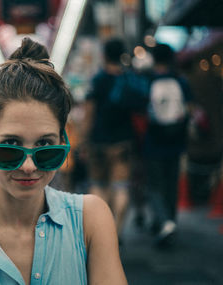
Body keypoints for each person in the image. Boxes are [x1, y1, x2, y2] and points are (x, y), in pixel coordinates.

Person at [0, 38, 127, 285]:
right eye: (10, 146)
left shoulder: (92, 219)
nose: (29, 166)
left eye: (44, 145)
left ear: (62, 139)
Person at [83, 38, 145, 243]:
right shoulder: (128, 79)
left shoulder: (98, 79)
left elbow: (89, 113)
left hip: (99, 140)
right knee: (121, 187)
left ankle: (100, 233)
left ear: (104, 55)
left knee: (98, 185)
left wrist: (84, 139)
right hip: (123, 141)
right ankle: (116, 232)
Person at [144, 43, 193, 246]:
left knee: (154, 185)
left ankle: (162, 221)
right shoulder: (180, 81)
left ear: (154, 59)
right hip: (176, 141)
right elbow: (189, 109)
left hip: (153, 141)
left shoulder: (147, 81)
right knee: (171, 184)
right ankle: (170, 220)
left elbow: (142, 111)